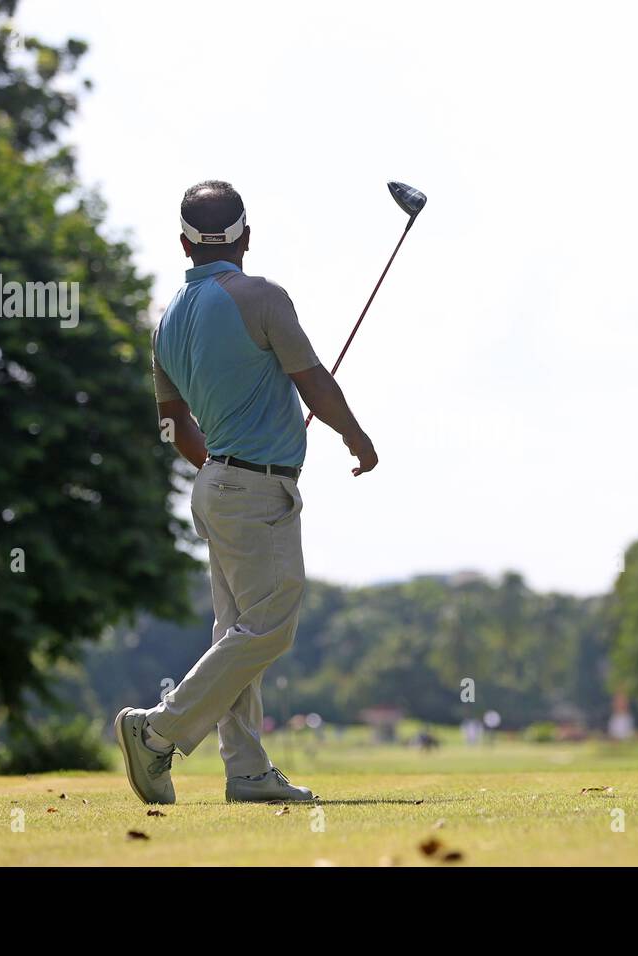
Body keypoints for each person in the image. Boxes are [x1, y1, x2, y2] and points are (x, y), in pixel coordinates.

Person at [114, 180, 377, 804]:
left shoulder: (166, 321)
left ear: (183, 242)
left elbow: (175, 425)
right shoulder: (262, 296)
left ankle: (248, 771)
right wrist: (356, 438)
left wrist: (222, 466)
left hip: (214, 485)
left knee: (236, 633)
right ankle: (158, 731)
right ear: (247, 237)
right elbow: (313, 383)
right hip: (256, 492)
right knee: (269, 630)